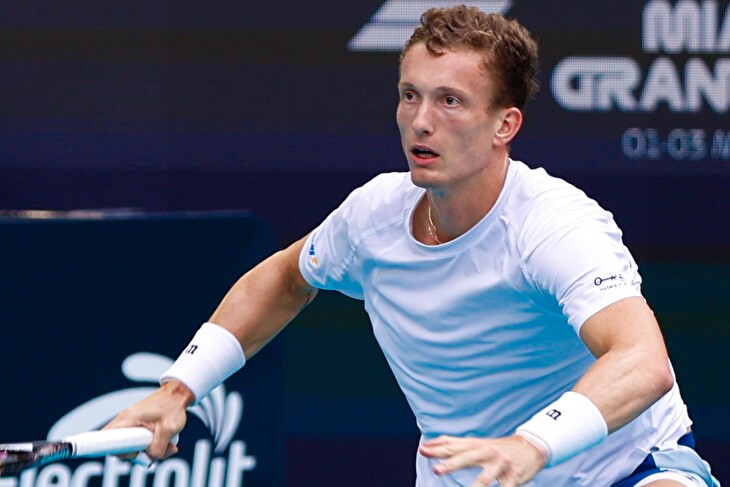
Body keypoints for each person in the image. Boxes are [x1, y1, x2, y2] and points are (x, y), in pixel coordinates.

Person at [106, 5, 720, 486]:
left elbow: (643, 362)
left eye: (450, 101)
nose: (421, 121)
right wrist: (178, 388)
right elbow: (287, 278)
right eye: (410, 95)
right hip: (473, 478)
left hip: (624, 470)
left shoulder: (554, 225)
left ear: (505, 124)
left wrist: (533, 442)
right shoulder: (373, 217)